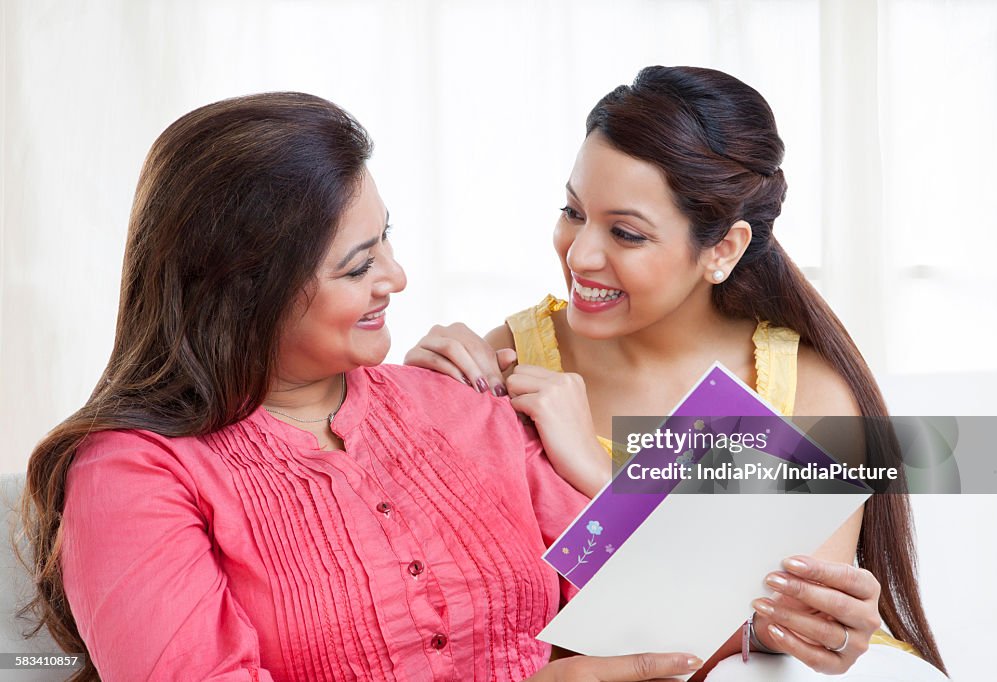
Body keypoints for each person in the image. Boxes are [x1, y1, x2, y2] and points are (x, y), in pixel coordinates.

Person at [18, 92, 702, 681]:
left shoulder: (461, 399)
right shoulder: (134, 472)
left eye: (387, 240)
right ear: (243, 290)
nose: (396, 277)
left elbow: (661, 603)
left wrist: (597, 470)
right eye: (356, 267)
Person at [405, 66, 947, 677]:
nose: (580, 254)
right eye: (572, 211)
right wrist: (403, 410)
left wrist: (596, 470)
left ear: (723, 249)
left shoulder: (803, 392)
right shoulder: (510, 363)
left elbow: (763, 644)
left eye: (627, 234)